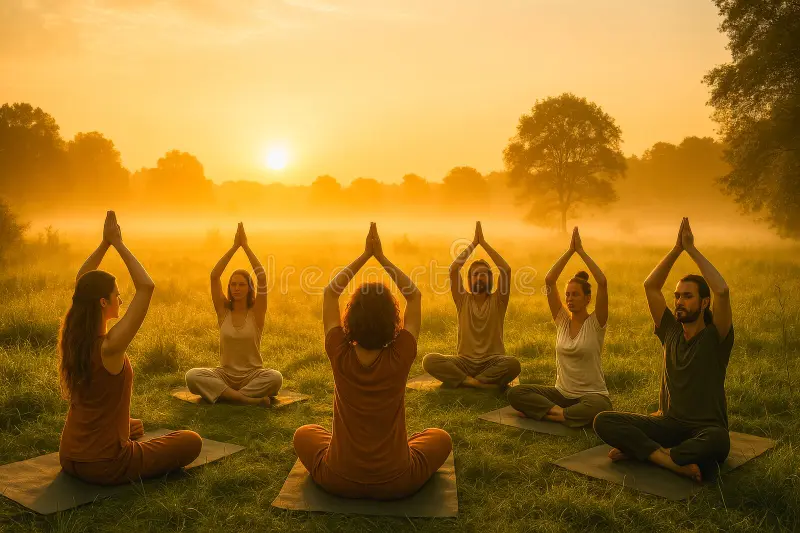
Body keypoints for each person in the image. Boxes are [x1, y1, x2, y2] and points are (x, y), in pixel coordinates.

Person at [293, 223, 452, 500]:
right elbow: (414, 295)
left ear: (351, 317)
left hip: (338, 478)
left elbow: (330, 293)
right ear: (392, 320)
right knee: (441, 437)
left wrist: (365, 255)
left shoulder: (338, 351)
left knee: (304, 433)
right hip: (396, 481)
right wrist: (381, 257)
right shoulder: (401, 355)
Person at [59, 212, 202, 486]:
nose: (121, 300)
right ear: (103, 302)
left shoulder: (74, 339)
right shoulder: (110, 347)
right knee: (190, 441)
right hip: (106, 464)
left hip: (70, 456)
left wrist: (105, 243)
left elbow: (83, 283)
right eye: (117, 294)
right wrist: (118, 243)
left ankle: (119, 434)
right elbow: (146, 287)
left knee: (132, 425)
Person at [594, 218, 733, 483]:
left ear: (705, 302)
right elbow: (650, 286)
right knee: (604, 420)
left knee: (718, 440)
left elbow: (722, 290)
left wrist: (691, 249)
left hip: (704, 430)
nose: (679, 301)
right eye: (677, 296)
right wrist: (676, 249)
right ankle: (669, 460)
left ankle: (647, 451)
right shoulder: (670, 330)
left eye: (687, 296)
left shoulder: (716, 336)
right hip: (669, 425)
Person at [508, 227, 611, 427]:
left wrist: (581, 252)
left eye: (576, 294)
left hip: (591, 395)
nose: (570, 299)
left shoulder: (596, 322)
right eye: (568, 295)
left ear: (587, 298)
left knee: (600, 407)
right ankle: (563, 415)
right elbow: (549, 280)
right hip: (561, 394)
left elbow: (602, 282)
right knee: (516, 393)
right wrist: (569, 251)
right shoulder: (562, 320)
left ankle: (550, 414)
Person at [185, 223, 282, 406]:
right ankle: (245, 399)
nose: (236, 288)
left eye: (242, 284)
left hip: (253, 375)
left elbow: (261, 277)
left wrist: (245, 246)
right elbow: (214, 276)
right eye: (233, 284)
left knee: (275, 378)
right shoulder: (223, 311)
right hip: (224, 375)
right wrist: (234, 247)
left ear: (249, 288)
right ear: (229, 287)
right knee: (192, 376)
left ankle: (226, 395)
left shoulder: (256, 313)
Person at [422, 222, 520, 388]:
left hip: (492, 362)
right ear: (469, 280)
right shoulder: (462, 299)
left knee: (513, 364)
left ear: (490, 279)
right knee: (429, 360)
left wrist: (484, 243)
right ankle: (476, 382)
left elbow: (506, 269)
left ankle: (466, 381)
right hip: (464, 362)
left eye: (484, 274)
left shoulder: (499, 300)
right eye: (476, 275)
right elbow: (453, 270)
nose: (480, 277)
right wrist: (474, 244)